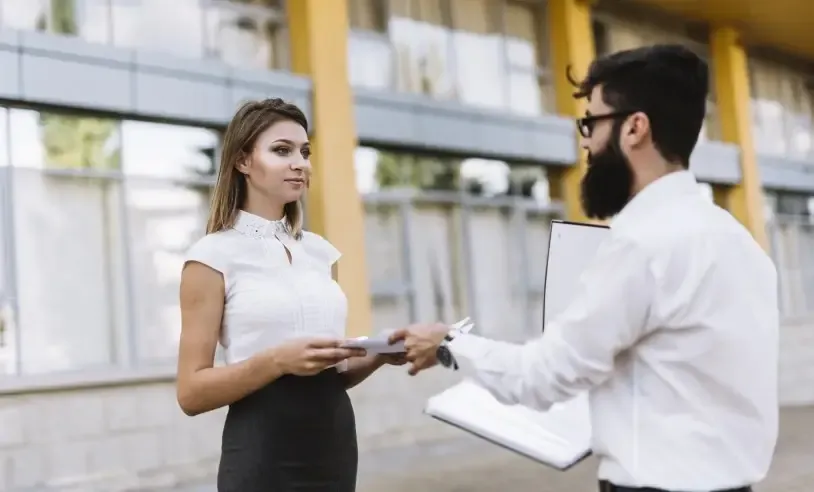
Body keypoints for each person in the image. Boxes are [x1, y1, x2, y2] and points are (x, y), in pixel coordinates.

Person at [390, 44, 779, 492]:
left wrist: (448, 344)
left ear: (635, 128)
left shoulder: (642, 243)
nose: (586, 142)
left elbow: (544, 375)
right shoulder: (741, 244)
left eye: (591, 123)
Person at [175, 98, 405, 492]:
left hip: (333, 448)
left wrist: (379, 353)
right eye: (282, 151)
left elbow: (326, 375)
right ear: (243, 161)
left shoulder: (319, 252)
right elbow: (191, 393)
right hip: (264, 455)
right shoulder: (210, 258)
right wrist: (277, 361)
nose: (300, 162)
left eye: (304, 152)